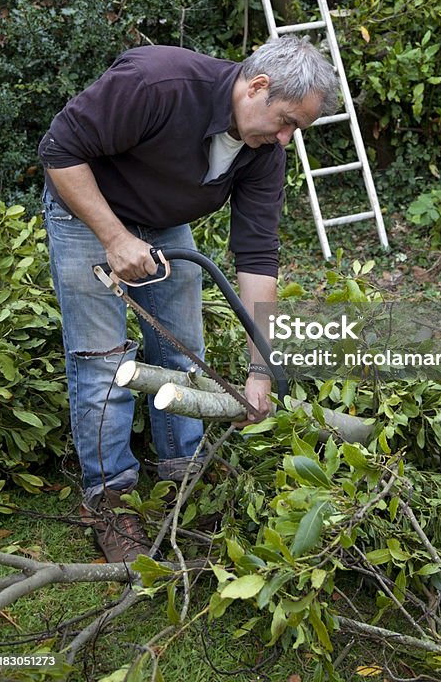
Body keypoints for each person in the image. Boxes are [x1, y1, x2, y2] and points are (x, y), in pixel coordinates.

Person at [38, 36, 338, 563]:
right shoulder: (159, 83)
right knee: (104, 361)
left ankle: (184, 473)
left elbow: (257, 256)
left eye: (299, 130)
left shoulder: (263, 152)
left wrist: (261, 369)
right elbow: (58, 151)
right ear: (257, 87)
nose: (289, 139)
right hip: (86, 211)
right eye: (288, 121)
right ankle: (110, 498)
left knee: (183, 351)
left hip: (163, 222)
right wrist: (114, 237)